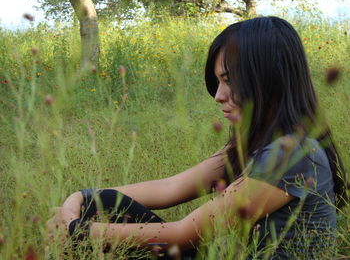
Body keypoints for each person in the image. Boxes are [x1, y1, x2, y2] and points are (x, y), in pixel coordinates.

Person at [46, 16, 347, 259]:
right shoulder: (253, 146)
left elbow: (183, 233)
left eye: (229, 80)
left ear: (269, 78)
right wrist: (80, 199)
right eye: (217, 82)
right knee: (103, 202)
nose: (218, 96)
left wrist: (76, 229)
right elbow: (169, 188)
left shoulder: (289, 153)